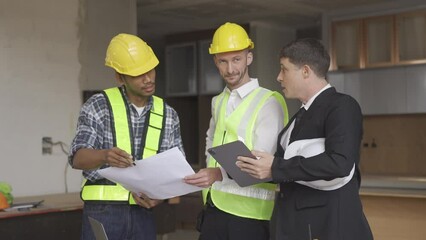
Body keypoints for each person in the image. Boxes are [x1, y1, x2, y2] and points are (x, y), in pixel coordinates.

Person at [236, 38, 374, 240]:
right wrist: (251, 167)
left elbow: (340, 163)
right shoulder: (299, 116)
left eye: (284, 70)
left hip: (329, 228)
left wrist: (276, 167)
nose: (278, 77)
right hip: (296, 226)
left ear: (306, 71)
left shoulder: (342, 105)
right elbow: (285, 168)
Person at [69, 33, 185, 240]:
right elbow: (78, 158)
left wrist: (158, 198)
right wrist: (105, 156)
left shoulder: (168, 115)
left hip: (144, 214)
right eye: (138, 74)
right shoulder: (98, 105)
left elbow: (175, 172)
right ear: (119, 77)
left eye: (150, 70)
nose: (148, 78)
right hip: (103, 213)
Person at [184, 22, 288, 240]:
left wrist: (217, 174)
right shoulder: (218, 102)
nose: (230, 69)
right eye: (223, 61)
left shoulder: (268, 103)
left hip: (249, 217)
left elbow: (261, 163)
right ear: (215, 61)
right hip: (214, 207)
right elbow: (211, 140)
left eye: (236, 59)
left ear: (249, 57)